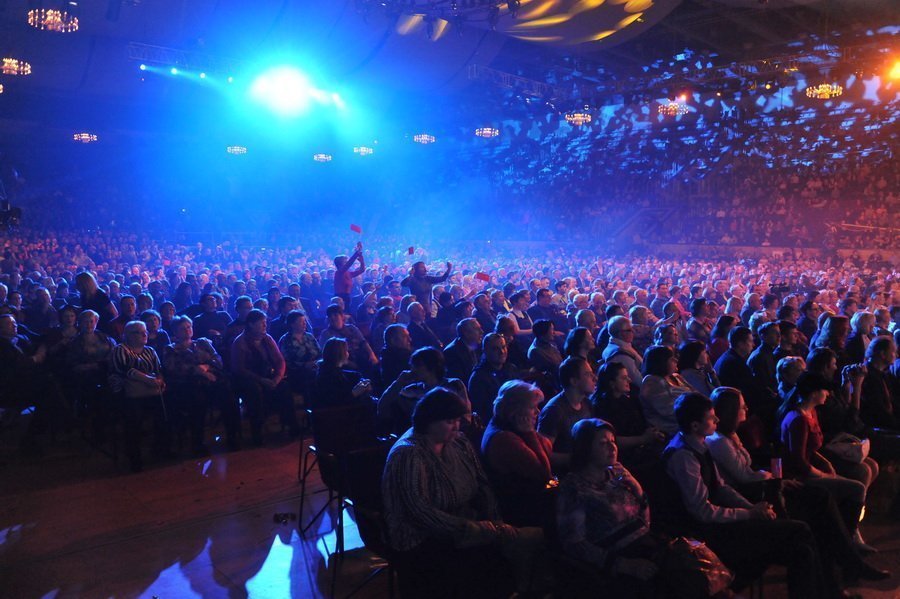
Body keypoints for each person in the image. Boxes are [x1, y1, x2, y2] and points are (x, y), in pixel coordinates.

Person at [707, 387, 889, 588]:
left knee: (823, 500)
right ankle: (847, 562)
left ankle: (847, 562)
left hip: (765, 487)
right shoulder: (719, 443)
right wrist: (773, 478)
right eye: (742, 406)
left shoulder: (731, 435)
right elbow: (744, 477)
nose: (746, 408)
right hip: (756, 497)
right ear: (730, 411)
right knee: (822, 511)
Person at [664, 392, 823, 598]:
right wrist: (748, 514)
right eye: (712, 418)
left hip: (723, 519)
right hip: (709, 531)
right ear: (695, 425)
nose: (718, 420)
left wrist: (752, 508)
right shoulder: (683, 457)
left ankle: (826, 592)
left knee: (803, 551)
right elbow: (701, 511)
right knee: (801, 530)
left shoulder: (700, 444)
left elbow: (720, 487)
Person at [558, 418, 730, 598]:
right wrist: (623, 564)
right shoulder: (574, 487)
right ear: (585, 449)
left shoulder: (616, 471)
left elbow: (643, 509)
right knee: (687, 584)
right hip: (617, 556)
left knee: (704, 573)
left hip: (646, 542)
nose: (612, 447)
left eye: (612, 442)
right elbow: (575, 543)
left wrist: (637, 489)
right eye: (603, 443)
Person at [382, 388, 521, 599]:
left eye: (457, 420)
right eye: (449, 421)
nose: (457, 426)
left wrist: (494, 519)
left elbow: (482, 483)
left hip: (461, 522)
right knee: (481, 564)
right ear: (429, 421)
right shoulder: (409, 454)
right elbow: (420, 511)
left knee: (503, 554)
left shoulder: (458, 442)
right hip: (420, 537)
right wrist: (469, 528)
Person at [779, 373, 874, 552]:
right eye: (824, 390)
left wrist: (827, 465)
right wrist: (823, 474)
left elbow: (810, 450)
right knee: (857, 488)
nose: (828, 394)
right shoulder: (798, 419)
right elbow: (799, 461)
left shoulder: (811, 413)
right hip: (799, 477)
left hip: (809, 470)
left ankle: (846, 536)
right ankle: (849, 536)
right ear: (814, 393)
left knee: (853, 483)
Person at [163, 316, 240, 454]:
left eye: (189, 327)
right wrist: (200, 371)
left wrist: (205, 367)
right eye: (183, 328)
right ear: (175, 332)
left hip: (211, 382)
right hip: (187, 385)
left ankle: (233, 436)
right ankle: (197, 443)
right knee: (197, 399)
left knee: (228, 395)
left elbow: (218, 361)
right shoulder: (171, 349)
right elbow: (175, 368)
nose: (187, 330)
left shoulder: (202, 343)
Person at [481, 380, 553, 527]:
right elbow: (544, 473)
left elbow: (547, 445)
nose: (538, 412)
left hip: (528, 503)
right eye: (533, 407)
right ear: (516, 409)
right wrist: (529, 432)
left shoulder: (506, 423)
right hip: (520, 512)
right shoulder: (504, 439)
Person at [231, 309, 299, 445]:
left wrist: (277, 378)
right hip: (248, 379)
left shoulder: (267, 339)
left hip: (268, 375)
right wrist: (261, 380)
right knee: (254, 390)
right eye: (262, 323)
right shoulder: (240, 343)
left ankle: (291, 426)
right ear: (251, 324)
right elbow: (240, 369)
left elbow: (279, 360)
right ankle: (257, 431)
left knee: (284, 387)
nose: (265, 326)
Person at [109, 320, 167, 472]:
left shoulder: (150, 351)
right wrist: (149, 380)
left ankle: (160, 449)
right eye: (138, 332)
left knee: (165, 411)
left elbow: (158, 368)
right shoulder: (120, 349)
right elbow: (125, 370)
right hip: (128, 393)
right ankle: (134, 457)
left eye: (145, 331)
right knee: (133, 419)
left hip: (150, 391)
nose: (144, 334)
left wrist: (160, 380)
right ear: (128, 335)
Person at [591, 362, 665, 470]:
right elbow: (613, 440)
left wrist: (653, 433)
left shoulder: (627, 400)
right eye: (624, 378)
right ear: (612, 383)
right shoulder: (602, 407)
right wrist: (643, 439)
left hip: (641, 450)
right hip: (624, 459)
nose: (629, 380)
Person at [378, 346, 468, 435]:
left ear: (432, 366)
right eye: (412, 366)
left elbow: (465, 416)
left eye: (418, 365)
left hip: (453, 436)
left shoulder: (453, 385)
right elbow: (383, 407)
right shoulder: (410, 391)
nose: (413, 370)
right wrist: (398, 383)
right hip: (419, 440)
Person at [538, 356, 595, 471]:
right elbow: (544, 454)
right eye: (588, 374)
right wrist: (578, 459)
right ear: (573, 381)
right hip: (567, 475)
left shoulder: (586, 403)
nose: (594, 378)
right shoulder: (554, 411)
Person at [639, 345, 695, 436]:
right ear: (661, 362)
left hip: (692, 423)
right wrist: (699, 415)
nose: (676, 360)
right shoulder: (652, 382)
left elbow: (697, 394)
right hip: (674, 431)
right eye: (671, 359)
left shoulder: (676, 376)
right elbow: (670, 412)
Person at [312, 337, 373, 411]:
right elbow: (334, 401)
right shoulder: (325, 377)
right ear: (339, 354)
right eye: (346, 351)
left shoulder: (347, 374)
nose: (348, 354)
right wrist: (354, 393)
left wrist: (364, 383)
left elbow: (355, 376)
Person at [468, 332, 519, 420]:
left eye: (503, 347)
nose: (502, 352)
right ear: (486, 351)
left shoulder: (511, 369)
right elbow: (480, 411)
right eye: (496, 349)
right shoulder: (478, 377)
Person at [277, 309, 321, 399]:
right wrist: (305, 365)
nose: (304, 323)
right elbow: (287, 361)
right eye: (301, 322)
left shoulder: (309, 336)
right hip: (297, 373)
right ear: (292, 324)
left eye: (304, 321)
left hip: (315, 367)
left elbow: (320, 353)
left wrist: (316, 362)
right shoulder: (286, 340)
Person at [602, 315, 643, 388]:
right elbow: (639, 381)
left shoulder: (617, 345)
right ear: (620, 333)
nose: (633, 332)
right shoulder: (620, 355)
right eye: (629, 330)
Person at [443, 317, 483, 383]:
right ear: (466, 334)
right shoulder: (452, 352)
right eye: (477, 329)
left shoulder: (478, 344)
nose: (481, 332)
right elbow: (459, 380)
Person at [378, 323, 413, 392]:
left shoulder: (407, 355)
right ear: (393, 340)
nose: (410, 339)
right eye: (404, 336)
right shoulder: (392, 361)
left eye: (408, 336)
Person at [333, 241, 365, 309]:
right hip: (340, 298)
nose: (347, 262)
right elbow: (349, 264)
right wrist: (357, 253)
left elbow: (362, 270)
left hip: (347, 297)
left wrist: (361, 259)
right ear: (340, 263)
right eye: (345, 261)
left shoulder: (348, 273)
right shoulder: (339, 272)